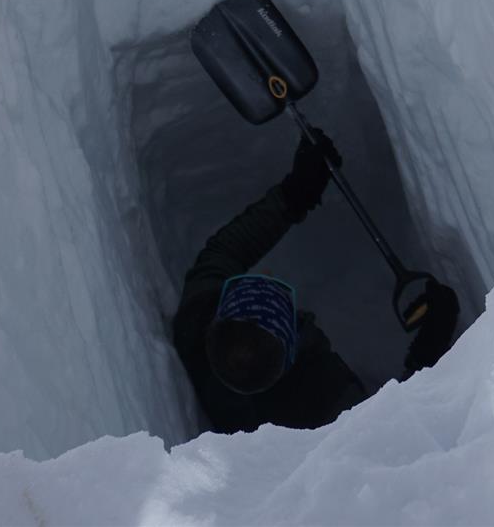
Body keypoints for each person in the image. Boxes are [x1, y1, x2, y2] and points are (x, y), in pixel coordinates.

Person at [172, 129, 460, 435]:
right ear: (291, 345)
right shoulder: (317, 402)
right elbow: (385, 432)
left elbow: (225, 251)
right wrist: (430, 348)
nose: (268, 274)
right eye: (283, 303)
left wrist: (296, 194)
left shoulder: (197, 320)